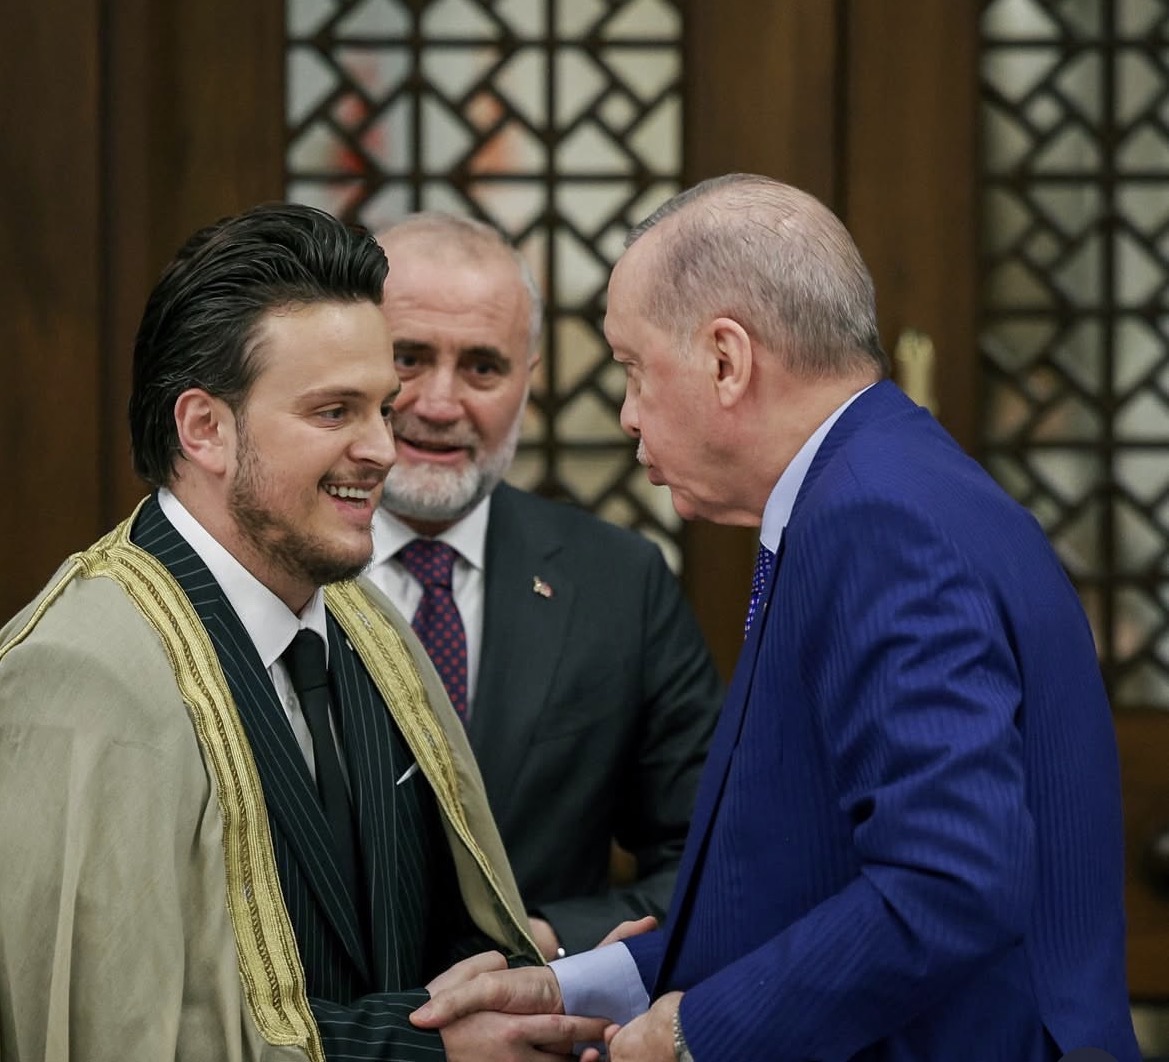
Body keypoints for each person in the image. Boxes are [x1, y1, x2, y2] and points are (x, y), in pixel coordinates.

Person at [409, 175, 1143, 1060]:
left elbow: (947, 883)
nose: (628, 415)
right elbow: (808, 875)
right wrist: (587, 984)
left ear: (726, 360)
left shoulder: (878, 519)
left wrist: (695, 1033)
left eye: (633, 370)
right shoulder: (883, 483)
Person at [0, 202, 609, 1062]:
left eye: (381, 408)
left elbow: (436, 944)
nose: (383, 449)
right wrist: (430, 1051)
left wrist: (559, 993)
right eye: (334, 413)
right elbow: (105, 1035)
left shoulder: (368, 624)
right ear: (204, 429)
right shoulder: (80, 676)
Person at [362, 212, 722, 959]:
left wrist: (548, 948)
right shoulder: (271, 564)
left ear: (528, 380)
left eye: (482, 368)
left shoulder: (620, 583)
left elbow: (708, 854)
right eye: (406, 358)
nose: (439, 403)